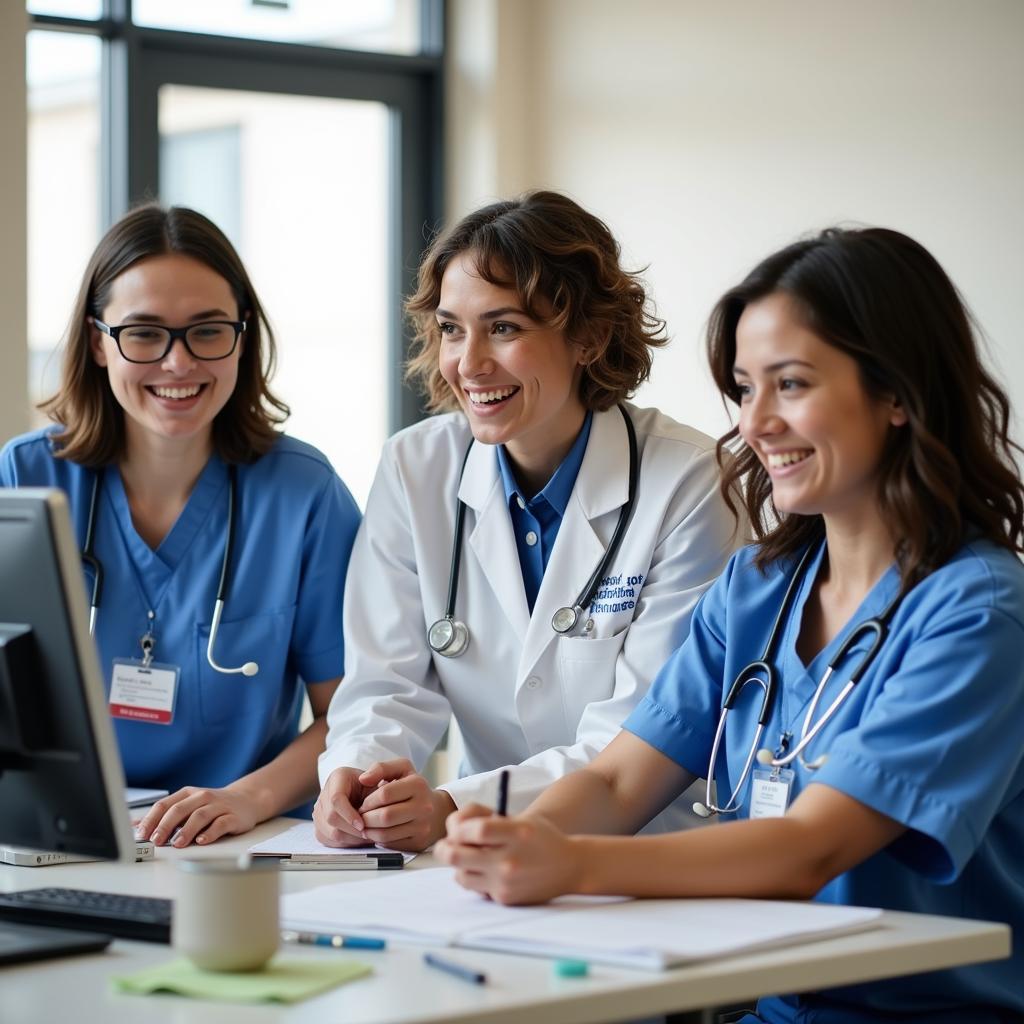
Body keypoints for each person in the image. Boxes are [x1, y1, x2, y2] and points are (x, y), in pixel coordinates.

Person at [437, 227, 1024, 1023]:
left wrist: (567, 863)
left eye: (792, 384)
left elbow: (808, 849)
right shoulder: (755, 591)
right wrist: (509, 851)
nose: (757, 423)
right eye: (745, 389)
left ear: (897, 393)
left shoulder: (977, 613)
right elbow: (616, 782)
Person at [314, 190, 741, 852]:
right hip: (481, 853)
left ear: (589, 336)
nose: (469, 362)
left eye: (504, 327)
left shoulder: (687, 482)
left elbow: (637, 734)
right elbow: (384, 683)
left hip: (651, 851)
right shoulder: (415, 466)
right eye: (452, 328)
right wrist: (361, 781)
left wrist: (454, 806)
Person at [0, 205, 361, 847]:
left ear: (242, 337)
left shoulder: (303, 494)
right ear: (97, 342)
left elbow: (352, 712)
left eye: (207, 331)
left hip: (244, 839)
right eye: (143, 333)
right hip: (62, 834)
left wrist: (246, 799)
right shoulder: (26, 477)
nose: (177, 363)